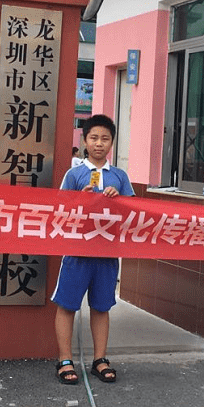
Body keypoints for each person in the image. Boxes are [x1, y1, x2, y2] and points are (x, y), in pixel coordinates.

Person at [51, 114, 134, 385]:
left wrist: (118, 200)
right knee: (67, 305)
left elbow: (134, 214)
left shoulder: (120, 176)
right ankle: (65, 359)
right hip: (76, 253)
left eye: (105, 139)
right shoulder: (74, 174)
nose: (99, 144)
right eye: (94, 138)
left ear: (112, 143)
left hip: (107, 253)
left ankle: (100, 359)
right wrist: (80, 200)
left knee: (101, 306)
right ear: (85, 141)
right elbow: (59, 212)